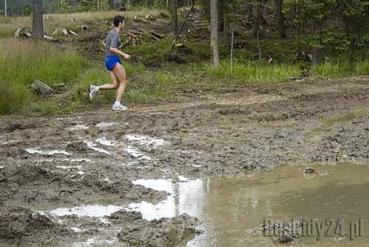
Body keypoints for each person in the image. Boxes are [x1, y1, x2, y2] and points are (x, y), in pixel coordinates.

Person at [89, 15, 131, 111]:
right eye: (124, 23)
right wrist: (124, 54)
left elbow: (106, 44)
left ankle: (95, 88)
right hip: (112, 59)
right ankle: (117, 104)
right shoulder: (115, 33)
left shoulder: (111, 32)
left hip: (108, 59)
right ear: (120, 24)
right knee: (124, 82)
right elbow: (112, 48)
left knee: (115, 84)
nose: (124, 25)